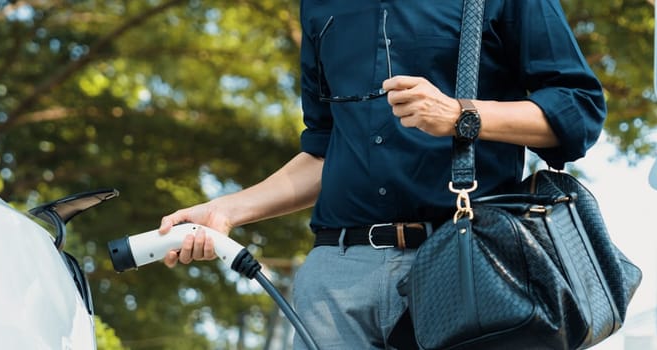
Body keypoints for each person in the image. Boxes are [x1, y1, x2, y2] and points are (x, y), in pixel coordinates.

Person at [158, 0, 605, 348]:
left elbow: (579, 111)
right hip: (335, 280)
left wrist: (460, 115)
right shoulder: (319, 5)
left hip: (464, 270)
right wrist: (224, 210)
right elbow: (323, 151)